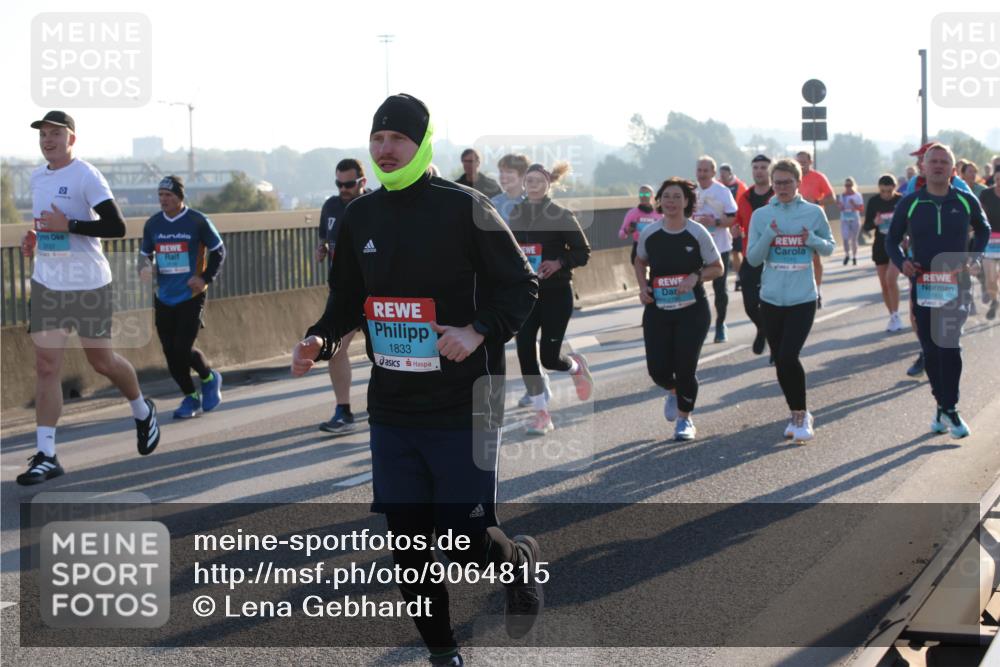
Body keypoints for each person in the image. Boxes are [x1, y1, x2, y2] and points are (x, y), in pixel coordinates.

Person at [290, 94, 543, 666]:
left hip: (464, 400)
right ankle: (443, 653)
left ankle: (517, 561)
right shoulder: (361, 217)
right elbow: (345, 303)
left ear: (422, 143)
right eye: (377, 139)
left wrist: (477, 330)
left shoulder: (466, 207)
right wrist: (319, 340)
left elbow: (522, 287)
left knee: (469, 541)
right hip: (395, 406)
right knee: (408, 544)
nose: (384, 149)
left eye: (396, 139)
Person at [17, 111, 160, 485]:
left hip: (87, 284)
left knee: (102, 362)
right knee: (47, 367)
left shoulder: (86, 175)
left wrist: (73, 226)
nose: (48, 140)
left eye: (55, 134)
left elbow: (117, 226)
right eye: (43, 134)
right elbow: (48, 224)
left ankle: (142, 410)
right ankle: (47, 455)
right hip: (48, 283)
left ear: (72, 139)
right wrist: (35, 238)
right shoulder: (36, 177)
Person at [886, 143, 990, 438]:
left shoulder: (965, 200)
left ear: (953, 170)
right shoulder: (912, 202)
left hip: (956, 282)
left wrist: (975, 257)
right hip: (924, 283)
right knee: (931, 349)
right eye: (934, 161)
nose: (939, 166)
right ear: (924, 167)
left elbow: (982, 230)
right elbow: (891, 240)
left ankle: (951, 408)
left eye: (945, 162)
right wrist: (901, 262)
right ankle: (943, 406)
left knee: (950, 345)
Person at [746, 158, 835, 442]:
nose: (782, 187)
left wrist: (813, 241)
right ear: (772, 184)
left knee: (788, 356)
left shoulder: (813, 213)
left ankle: (800, 414)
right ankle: (796, 412)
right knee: (780, 361)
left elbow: (830, 247)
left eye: (787, 182)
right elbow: (753, 258)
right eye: (778, 182)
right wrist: (769, 236)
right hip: (771, 297)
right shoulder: (761, 215)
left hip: (802, 297)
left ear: (798, 182)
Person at [635, 178, 724, 441]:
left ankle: (685, 420)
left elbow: (717, 267)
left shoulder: (697, 232)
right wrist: (642, 288)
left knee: (685, 367)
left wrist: (695, 276)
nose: (671, 202)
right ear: (659, 201)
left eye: (677, 197)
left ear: (687, 202)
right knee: (658, 370)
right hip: (658, 309)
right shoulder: (651, 233)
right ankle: (673, 389)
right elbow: (639, 262)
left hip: (692, 310)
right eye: (666, 197)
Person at [508, 161, 594, 435]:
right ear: (524, 183)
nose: (532, 184)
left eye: (538, 180)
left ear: (548, 184)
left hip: (557, 293)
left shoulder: (560, 214)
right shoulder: (515, 213)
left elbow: (583, 252)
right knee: (524, 352)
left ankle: (575, 365)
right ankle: (541, 413)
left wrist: (558, 262)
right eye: (529, 180)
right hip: (527, 294)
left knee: (549, 358)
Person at [139, 176, 225, 418]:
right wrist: (145, 269)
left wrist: (205, 278)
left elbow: (219, 251)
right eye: (160, 196)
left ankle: (209, 378)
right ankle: (191, 396)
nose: (164, 200)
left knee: (182, 347)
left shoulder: (197, 221)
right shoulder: (153, 224)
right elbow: (144, 255)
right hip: (164, 296)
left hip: (191, 294)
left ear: (180, 196)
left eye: (168, 195)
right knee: (170, 352)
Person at [314, 158, 372, 434]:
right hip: (345, 294)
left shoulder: (376, 206)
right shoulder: (331, 206)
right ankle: (344, 411)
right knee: (335, 348)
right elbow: (324, 239)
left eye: (348, 184)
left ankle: (387, 409)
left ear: (362, 182)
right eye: (338, 184)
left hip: (376, 294)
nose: (343, 189)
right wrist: (322, 250)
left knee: (384, 355)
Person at [692, 156, 738, 343]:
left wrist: (715, 222)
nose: (702, 174)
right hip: (695, 249)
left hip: (719, 246)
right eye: (699, 171)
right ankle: (697, 327)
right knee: (695, 287)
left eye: (706, 171)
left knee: (720, 289)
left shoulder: (722, 191)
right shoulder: (690, 191)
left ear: (713, 172)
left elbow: (733, 218)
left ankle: (720, 324)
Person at [734, 154, 774, 356]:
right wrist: (735, 229)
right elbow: (738, 221)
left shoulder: (778, 196)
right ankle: (762, 328)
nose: (759, 171)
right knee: (750, 304)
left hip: (775, 257)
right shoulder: (745, 197)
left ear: (770, 170)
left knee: (772, 304)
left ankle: (776, 348)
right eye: (756, 167)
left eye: (763, 167)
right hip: (751, 256)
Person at [862, 174, 904, 332]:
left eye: (889, 191)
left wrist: (906, 236)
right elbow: (866, 226)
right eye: (883, 191)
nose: (886, 194)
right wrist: (875, 222)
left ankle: (896, 315)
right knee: (884, 284)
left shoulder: (901, 200)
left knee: (891, 278)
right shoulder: (874, 202)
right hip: (880, 245)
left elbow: (909, 221)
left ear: (894, 188)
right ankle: (893, 315)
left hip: (897, 245)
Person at [795, 151, 834, 309]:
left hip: (815, 222)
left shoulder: (819, 177)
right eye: (799, 162)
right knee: (797, 258)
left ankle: (817, 291)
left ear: (810, 161)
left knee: (815, 259)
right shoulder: (793, 178)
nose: (802, 164)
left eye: (804, 161)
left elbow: (832, 198)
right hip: (795, 222)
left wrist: (816, 201)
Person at [719, 164, 748, 290]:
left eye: (725, 175)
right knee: (723, 252)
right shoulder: (718, 185)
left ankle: (739, 276)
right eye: (721, 175)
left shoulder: (740, 186)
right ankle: (721, 279)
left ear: (730, 174)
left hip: (735, 222)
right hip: (720, 223)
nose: (723, 178)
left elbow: (743, 205)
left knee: (736, 252)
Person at [618, 184, 663, 265]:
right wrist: (627, 231)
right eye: (641, 194)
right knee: (641, 276)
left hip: (655, 248)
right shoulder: (632, 213)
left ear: (652, 196)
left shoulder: (659, 214)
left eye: (647, 194)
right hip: (638, 247)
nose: (644, 196)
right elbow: (621, 235)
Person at [978, 172, 1000, 319]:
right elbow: (979, 214)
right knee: (990, 278)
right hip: (990, 241)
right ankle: (995, 301)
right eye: (998, 179)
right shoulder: (985, 194)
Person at [490, 153, 528, 224]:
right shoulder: (493, 203)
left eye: (509, 172)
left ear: (523, 175)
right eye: (501, 171)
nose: (503, 176)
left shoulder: (534, 202)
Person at [837, 177, 864, 266]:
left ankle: (854, 256)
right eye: (846, 185)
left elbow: (861, 208)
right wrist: (840, 206)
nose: (848, 187)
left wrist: (854, 205)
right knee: (845, 238)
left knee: (854, 239)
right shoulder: (843, 196)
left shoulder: (857, 195)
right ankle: (847, 254)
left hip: (854, 218)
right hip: (845, 218)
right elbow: (840, 207)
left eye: (849, 185)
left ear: (853, 185)